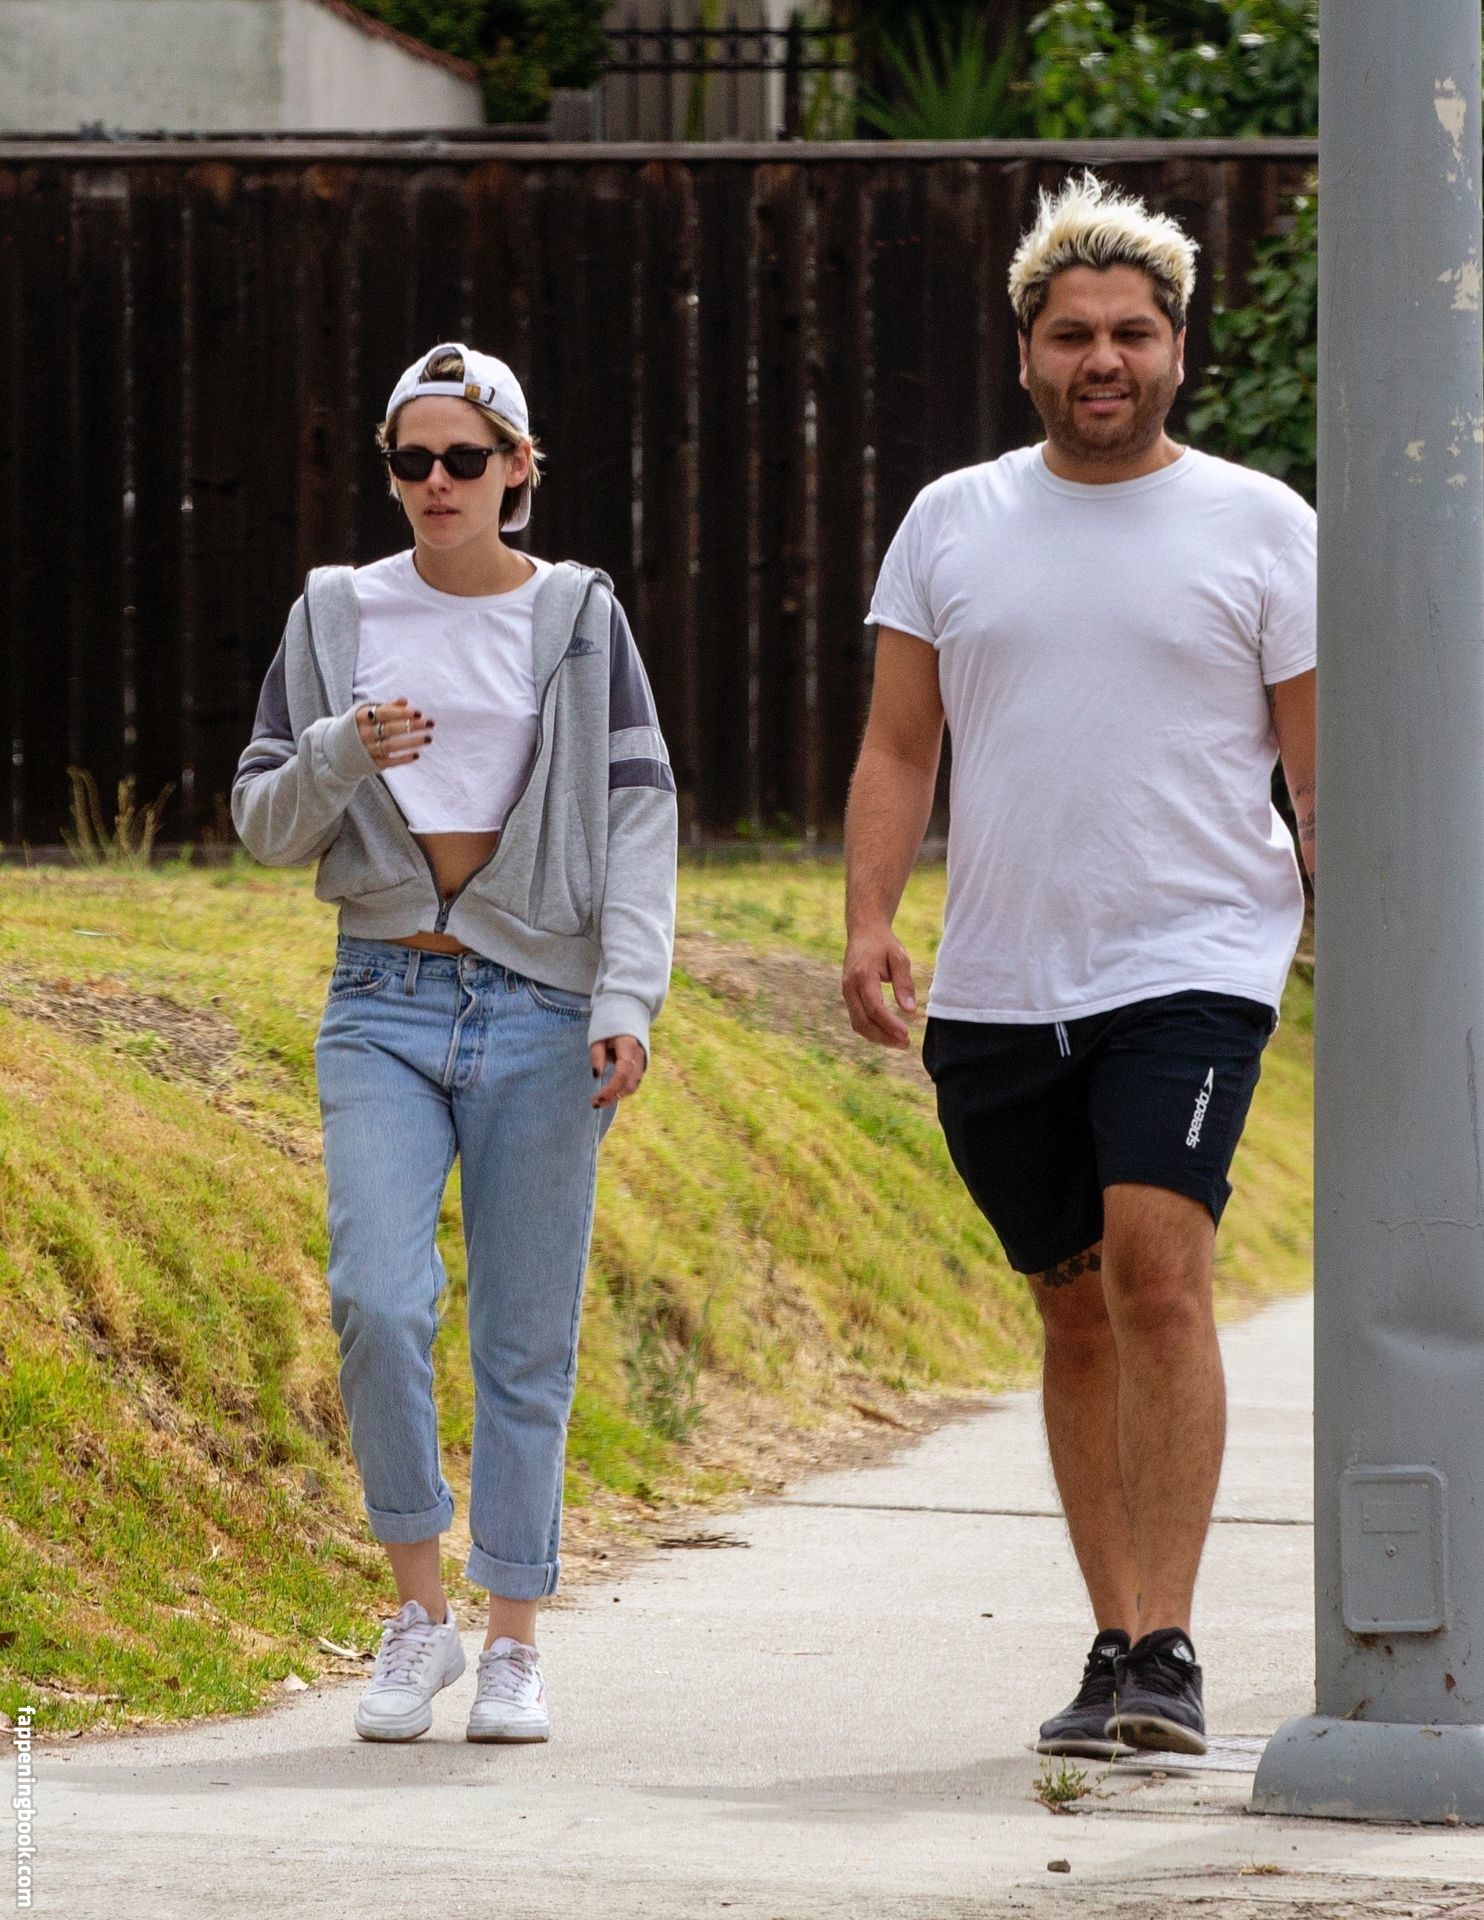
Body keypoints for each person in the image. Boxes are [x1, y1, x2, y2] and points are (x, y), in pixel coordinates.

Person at [841, 175, 1315, 1759]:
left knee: (1157, 1276)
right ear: (1026, 353)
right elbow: (900, 746)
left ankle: (1171, 1647)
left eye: (1131, 333)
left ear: (1178, 349)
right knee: (1072, 1308)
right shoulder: (952, 522)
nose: (1102, 357)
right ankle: (1113, 1643)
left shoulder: (1263, 525)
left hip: (1196, 959)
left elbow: (1317, 766)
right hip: (1001, 980)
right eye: (1071, 335)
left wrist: (1361, 935)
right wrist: (867, 920)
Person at [232, 343, 677, 1744]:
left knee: (524, 1339)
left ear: (519, 469)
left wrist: (626, 998)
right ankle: (418, 1615)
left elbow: (641, 813)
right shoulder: (335, 613)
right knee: (377, 1297)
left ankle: (513, 1642)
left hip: (544, 1009)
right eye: (412, 461)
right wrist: (341, 750)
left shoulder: (579, 616)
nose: (437, 483)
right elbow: (261, 822)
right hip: (382, 1000)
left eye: (465, 459)